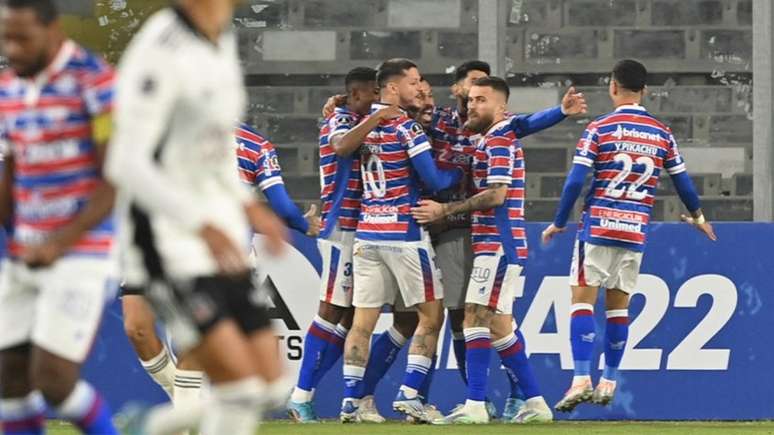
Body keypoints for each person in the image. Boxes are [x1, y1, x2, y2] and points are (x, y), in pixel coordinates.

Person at [106, 1, 290, 434]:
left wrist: (248, 207)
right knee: (237, 384)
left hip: (220, 232)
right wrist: (200, 223)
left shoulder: (221, 39)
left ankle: (152, 425)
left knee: (269, 386)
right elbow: (125, 162)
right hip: (167, 238)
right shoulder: (158, 49)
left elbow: (216, 145)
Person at [542, 59, 717, 413]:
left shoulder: (599, 128)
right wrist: (698, 216)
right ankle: (609, 379)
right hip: (634, 230)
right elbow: (682, 180)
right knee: (618, 309)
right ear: (645, 91)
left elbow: (576, 180)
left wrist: (559, 221)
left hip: (599, 225)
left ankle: (580, 379)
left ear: (612, 86)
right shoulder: (661, 132)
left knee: (581, 302)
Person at [120, 121, 319, 425]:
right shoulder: (157, 131)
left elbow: (274, 204)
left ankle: (173, 420)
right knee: (139, 329)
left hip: (216, 257)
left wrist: (292, 224)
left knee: (257, 378)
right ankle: (180, 406)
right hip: (157, 247)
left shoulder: (254, 146)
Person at [0, 1, 119, 433]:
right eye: (5, 38)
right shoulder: (7, 89)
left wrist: (60, 242)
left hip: (84, 250)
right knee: (9, 376)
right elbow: (12, 171)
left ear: (53, 31)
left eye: (22, 38)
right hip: (25, 252)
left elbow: (115, 179)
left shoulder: (96, 82)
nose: (11, 49)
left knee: (53, 378)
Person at [413, 76, 553, 424]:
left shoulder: (500, 140)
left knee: (474, 316)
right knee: (500, 328)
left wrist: (445, 210)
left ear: (501, 108)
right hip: (494, 244)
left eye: (481, 101)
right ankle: (536, 403)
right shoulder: (492, 137)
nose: (473, 106)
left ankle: (475, 405)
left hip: (498, 244)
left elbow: (497, 194)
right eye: (471, 100)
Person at [339, 58, 462, 423]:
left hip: (367, 234)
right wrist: (462, 166)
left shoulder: (360, 124)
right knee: (431, 316)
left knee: (362, 322)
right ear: (392, 88)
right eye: (412, 82)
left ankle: (350, 402)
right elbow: (437, 182)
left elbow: (341, 148)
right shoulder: (406, 128)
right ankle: (410, 394)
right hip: (405, 237)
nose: (417, 87)